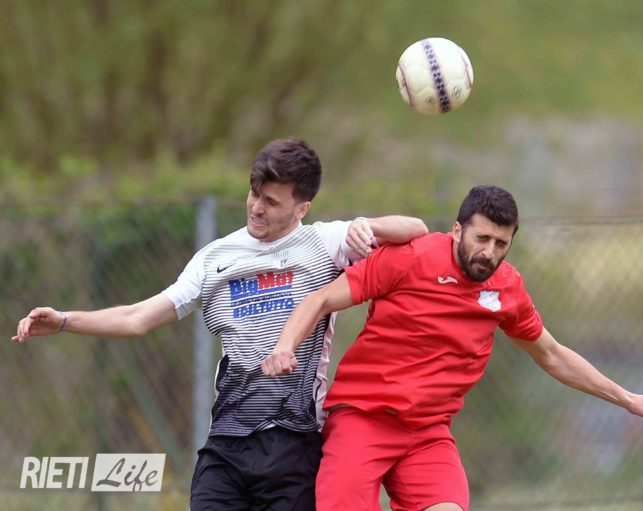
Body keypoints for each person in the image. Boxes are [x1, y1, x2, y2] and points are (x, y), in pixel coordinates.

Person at [11, 137, 428, 511]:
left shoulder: (326, 242)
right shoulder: (215, 258)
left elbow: (417, 230)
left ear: (302, 208)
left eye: (272, 202)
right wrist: (66, 320)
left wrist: (368, 225)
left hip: (295, 443)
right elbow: (138, 317)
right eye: (254, 193)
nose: (256, 208)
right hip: (226, 445)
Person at [262, 184, 643, 511]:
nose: (489, 252)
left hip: (427, 433)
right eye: (482, 238)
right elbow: (320, 299)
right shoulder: (409, 258)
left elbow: (551, 354)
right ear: (457, 230)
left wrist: (628, 399)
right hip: (362, 418)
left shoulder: (506, 288)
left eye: (501, 243)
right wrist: (284, 346)